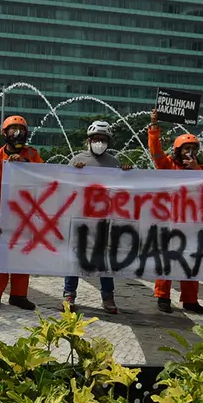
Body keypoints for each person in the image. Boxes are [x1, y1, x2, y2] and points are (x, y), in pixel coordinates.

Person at [147, 110, 203, 314]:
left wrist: (195, 170)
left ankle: (190, 300)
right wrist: (154, 127)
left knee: (192, 261)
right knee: (166, 259)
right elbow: (155, 153)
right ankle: (162, 296)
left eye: (193, 148)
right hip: (170, 221)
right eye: (186, 148)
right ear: (177, 150)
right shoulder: (167, 165)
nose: (189, 152)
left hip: (193, 223)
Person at [0, 115, 43, 310]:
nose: (17, 133)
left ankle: (18, 295)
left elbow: (45, 175)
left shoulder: (33, 155)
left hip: (25, 217)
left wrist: (24, 163)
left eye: (21, 129)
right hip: (0, 217)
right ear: (4, 133)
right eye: (12, 129)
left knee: (21, 255)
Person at [66, 120, 125, 314]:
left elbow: (122, 191)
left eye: (103, 139)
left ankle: (108, 297)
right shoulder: (76, 160)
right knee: (75, 257)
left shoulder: (115, 163)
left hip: (104, 219)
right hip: (80, 218)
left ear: (108, 141)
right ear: (89, 140)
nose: (99, 142)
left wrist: (129, 175)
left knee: (104, 259)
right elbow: (64, 185)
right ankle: (69, 294)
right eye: (95, 139)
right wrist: (75, 173)